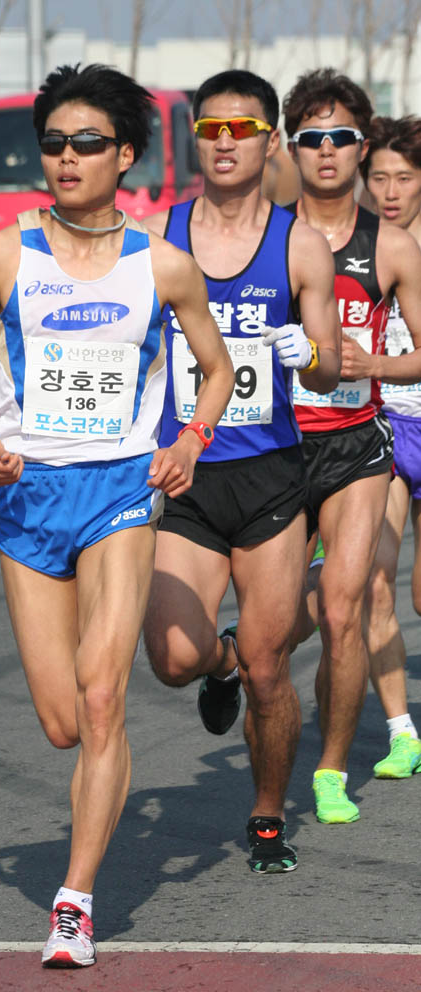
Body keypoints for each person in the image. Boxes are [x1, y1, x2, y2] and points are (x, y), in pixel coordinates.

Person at [0, 63, 234, 968]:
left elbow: (214, 370)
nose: (65, 159)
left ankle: (74, 901)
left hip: (119, 494)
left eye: (86, 144)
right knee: (62, 721)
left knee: (104, 701)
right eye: (53, 144)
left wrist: (189, 441)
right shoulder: (1, 258)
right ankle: (215, 659)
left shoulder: (164, 265)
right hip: (27, 498)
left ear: (126, 156)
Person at [142, 69, 341, 875]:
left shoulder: (300, 244)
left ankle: (265, 815)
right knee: (173, 660)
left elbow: (329, 372)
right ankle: (215, 664)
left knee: (271, 668)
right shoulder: (160, 236)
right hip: (189, 477)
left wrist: (313, 353)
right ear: (196, 139)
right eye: (211, 130)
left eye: (242, 130)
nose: (225, 144)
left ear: (269, 142)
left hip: (269, 478)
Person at [283, 70, 421, 822]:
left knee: (356, 599)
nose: (328, 150)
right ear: (292, 147)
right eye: (313, 138)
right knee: (285, 623)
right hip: (275, 449)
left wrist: (377, 364)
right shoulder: (268, 238)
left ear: (359, 145)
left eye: (341, 137)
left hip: (361, 442)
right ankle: (234, 660)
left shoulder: (391, 246)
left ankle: (333, 770)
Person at [360, 116, 421, 778]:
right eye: (378, 177)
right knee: (373, 581)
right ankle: (403, 732)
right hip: (383, 429)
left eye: (404, 177)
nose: (390, 190)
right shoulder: (355, 249)